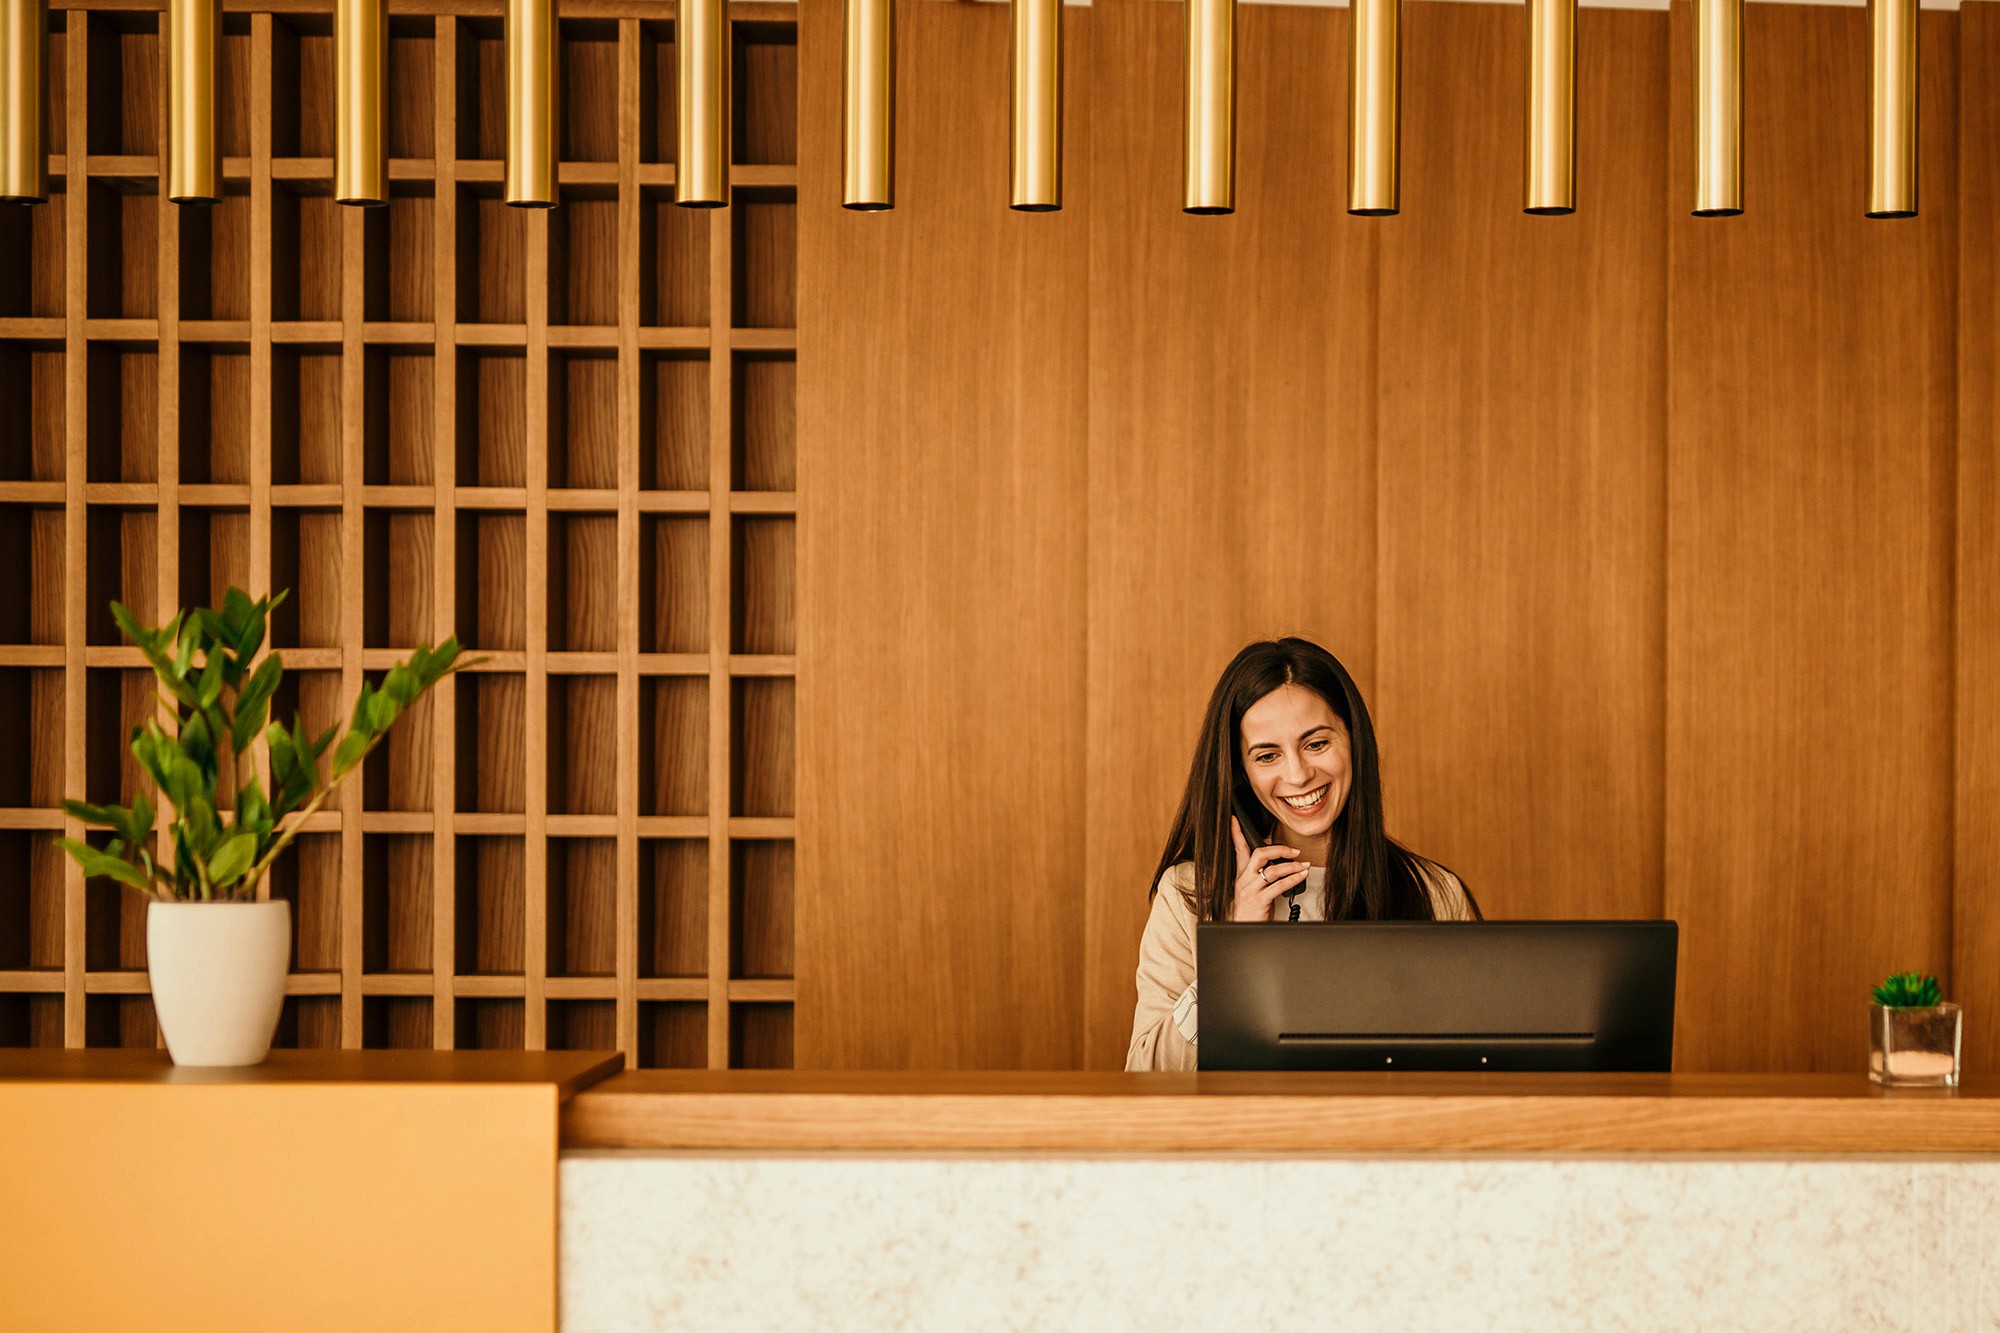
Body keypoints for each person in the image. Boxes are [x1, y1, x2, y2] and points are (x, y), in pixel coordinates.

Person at [1125, 637, 1480, 1072]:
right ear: (1242, 774)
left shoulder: (1435, 893)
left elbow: (1473, 1070)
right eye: (1267, 755)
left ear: (1353, 740)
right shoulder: (1188, 893)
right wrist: (1235, 953)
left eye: (1316, 744)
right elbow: (1146, 1075)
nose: (1297, 774)